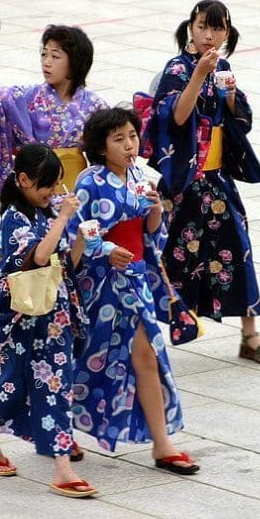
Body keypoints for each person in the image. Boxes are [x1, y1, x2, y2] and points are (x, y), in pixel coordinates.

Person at [146, 0, 260, 365]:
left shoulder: (224, 67)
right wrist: (198, 76)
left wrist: (231, 93)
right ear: (191, 26)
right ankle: (148, 334)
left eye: (217, 28)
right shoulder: (176, 68)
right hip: (183, 182)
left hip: (217, 179)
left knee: (238, 248)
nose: (209, 35)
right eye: (203, 26)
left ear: (227, 32)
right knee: (167, 255)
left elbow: (241, 119)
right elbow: (175, 116)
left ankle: (249, 334)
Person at [69, 107, 199, 475]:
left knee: (147, 354)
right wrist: (108, 250)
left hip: (136, 278)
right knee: (86, 353)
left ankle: (163, 443)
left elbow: (151, 233)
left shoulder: (143, 175)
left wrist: (156, 210)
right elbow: (80, 234)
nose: (129, 145)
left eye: (131, 136)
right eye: (118, 139)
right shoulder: (89, 182)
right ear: (100, 147)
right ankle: (61, 425)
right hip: (101, 283)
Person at [0, 144, 95, 498]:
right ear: (23, 180)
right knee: (43, 385)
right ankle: (62, 468)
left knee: (25, 384)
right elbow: (39, 256)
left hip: (49, 316)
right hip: (26, 320)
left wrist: (82, 240)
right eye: (47, 186)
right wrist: (64, 218)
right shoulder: (15, 218)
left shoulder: (42, 212)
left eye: (57, 185)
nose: (53, 193)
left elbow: (64, 260)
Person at [0, 24, 109, 198]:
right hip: (35, 189)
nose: (46, 62)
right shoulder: (27, 97)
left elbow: (112, 147)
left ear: (75, 62)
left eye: (55, 56)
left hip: (76, 190)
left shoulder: (94, 105)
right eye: (44, 54)